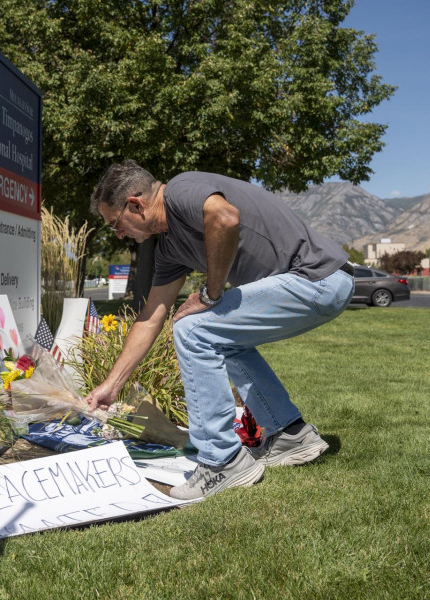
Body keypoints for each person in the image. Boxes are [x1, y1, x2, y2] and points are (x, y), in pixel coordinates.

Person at [85, 160, 354, 500]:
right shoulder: (169, 249)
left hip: (318, 279)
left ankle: (221, 461)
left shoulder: (181, 190)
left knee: (193, 328)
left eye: (115, 224)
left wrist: (211, 293)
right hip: (320, 283)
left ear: (136, 205)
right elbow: (151, 316)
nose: (119, 234)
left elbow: (224, 217)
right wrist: (112, 385)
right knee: (220, 338)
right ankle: (290, 434)